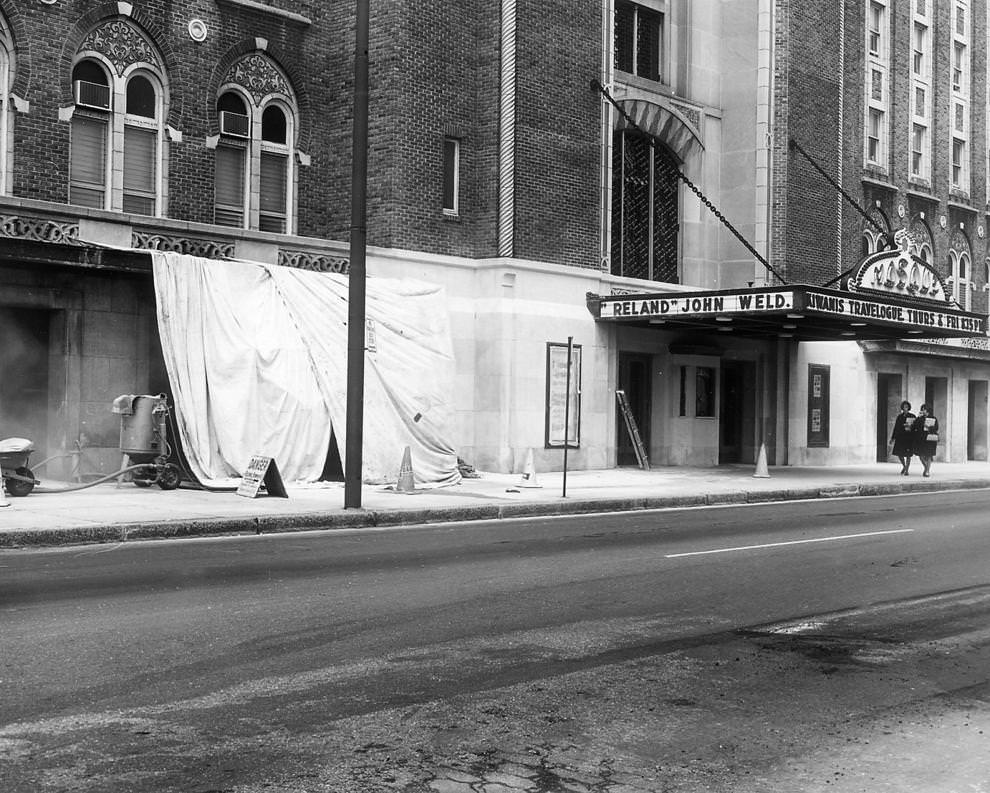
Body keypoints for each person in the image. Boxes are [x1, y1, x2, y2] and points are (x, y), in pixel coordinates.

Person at [912, 403, 939, 477]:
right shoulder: (920, 418)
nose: (923, 411)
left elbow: (936, 428)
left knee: (929, 455)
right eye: (922, 409)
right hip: (921, 439)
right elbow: (914, 427)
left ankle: (927, 471)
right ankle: (926, 468)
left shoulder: (933, 418)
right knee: (921, 455)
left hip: (930, 439)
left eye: (924, 409)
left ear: (928, 410)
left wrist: (929, 427)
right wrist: (918, 417)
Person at [889, 400, 916, 475]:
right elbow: (896, 427)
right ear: (902, 408)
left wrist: (910, 426)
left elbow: (915, 427)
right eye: (904, 407)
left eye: (907, 407)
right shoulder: (899, 417)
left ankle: (907, 470)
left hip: (908, 437)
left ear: (908, 408)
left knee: (908, 455)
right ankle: (904, 466)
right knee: (899, 454)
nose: (905, 408)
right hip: (900, 437)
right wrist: (892, 438)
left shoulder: (912, 416)